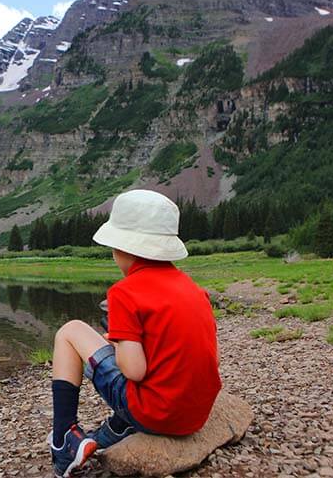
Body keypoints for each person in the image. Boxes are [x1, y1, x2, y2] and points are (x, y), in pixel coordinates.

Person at [49, 189, 221, 477]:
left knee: (70, 331)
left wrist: (117, 348)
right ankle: (121, 426)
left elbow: (135, 371)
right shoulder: (194, 290)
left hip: (158, 415)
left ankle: (63, 440)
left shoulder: (124, 293)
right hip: (195, 415)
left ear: (122, 249)